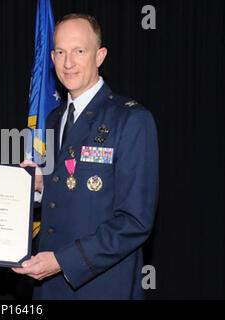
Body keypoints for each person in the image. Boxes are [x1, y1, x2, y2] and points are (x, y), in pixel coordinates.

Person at [13, 14, 159, 299]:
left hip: (100, 285)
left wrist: (63, 261)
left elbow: (135, 221)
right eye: (60, 52)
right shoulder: (55, 119)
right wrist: (36, 185)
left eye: (79, 51)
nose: (68, 63)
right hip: (49, 286)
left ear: (100, 56)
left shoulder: (131, 119)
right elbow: (66, 187)